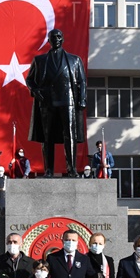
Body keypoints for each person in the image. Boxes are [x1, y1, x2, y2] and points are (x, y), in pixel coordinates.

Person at [25, 29, 87, 177]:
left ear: (63, 39)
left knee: (70, 135)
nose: (56, 39)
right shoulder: (39, 60)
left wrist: (82, 99)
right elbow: (29, 79)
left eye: (59, 36)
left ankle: (71, 169)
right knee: (47, 137)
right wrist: (35, 90)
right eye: (53, 37)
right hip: (47, 102)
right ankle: (48, 170)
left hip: (68, 101)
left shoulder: (75, 60)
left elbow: (82, 82)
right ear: (48, 40)